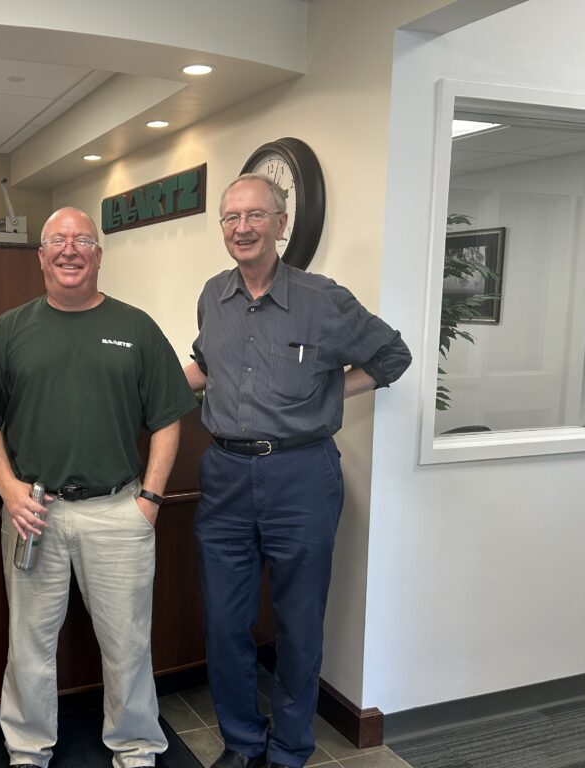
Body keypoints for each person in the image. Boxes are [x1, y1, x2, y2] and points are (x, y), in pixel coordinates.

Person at [184, 174, 411, 768]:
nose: (242, 228)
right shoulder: (212, 295)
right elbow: (206, 365)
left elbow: (393, 355)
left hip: (301, 478)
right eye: (231, 217)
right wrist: (141, 391)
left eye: (255, 215)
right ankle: (241, 741)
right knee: (224, 622)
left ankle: (288, 749)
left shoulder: (323, 299)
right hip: (225, 477)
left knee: (300, 624)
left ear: (280, 223)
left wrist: (330, 394)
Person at [0, 207, 198, 768]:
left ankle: (136, 745)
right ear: (41, 256)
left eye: (82, 241)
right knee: (29, 642)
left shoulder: (137, 328)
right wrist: (9, 489)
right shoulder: (9, 331)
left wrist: (149, 499)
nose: (70, 250)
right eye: (58, 241)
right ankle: (27, 746)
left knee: (128, 643)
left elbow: (169, 418)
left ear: (99, 254)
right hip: (33, 512)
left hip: (118, 511)